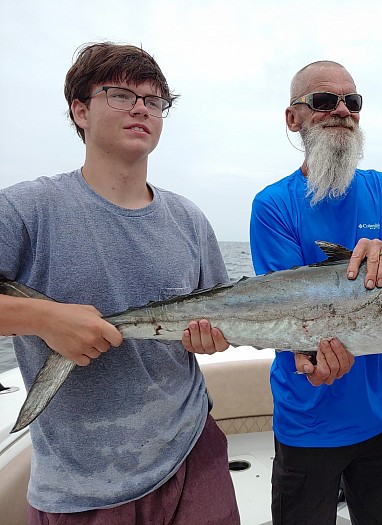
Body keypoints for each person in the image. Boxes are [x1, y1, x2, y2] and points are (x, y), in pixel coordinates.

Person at [0, 42, 240, 524]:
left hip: (194, 454)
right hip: (80, 487)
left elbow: (218, 321)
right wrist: (41, 317)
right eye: (120, 94)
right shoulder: (24, 210)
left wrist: (209, 339)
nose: (140, 109)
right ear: (80, 110)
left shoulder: (189, 219)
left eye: (153, 101)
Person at [249, 60, 382, 525]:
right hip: (305, 423)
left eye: (352, 102)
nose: (342, 111)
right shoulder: (273, 204)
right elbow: (289, 312)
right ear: (293, 118)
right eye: (325, 101)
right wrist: (310, 354)